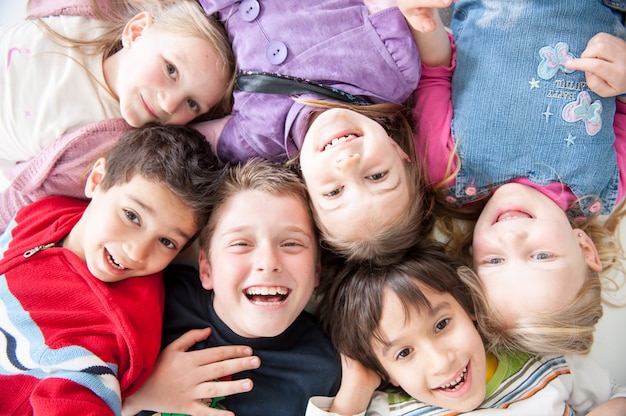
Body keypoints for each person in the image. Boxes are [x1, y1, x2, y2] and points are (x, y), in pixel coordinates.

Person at [410, 2, 626, 354]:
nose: (511, 236)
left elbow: (434, 71)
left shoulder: (447, 169)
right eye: (541, 256)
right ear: (584, 248)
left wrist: (422, 18)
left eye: (494, 261)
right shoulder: (604, 187)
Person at [0, 123, 223, 415]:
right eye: (132, 216)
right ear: (96, 180)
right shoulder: (44, 212)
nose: (137, 252)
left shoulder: (105, 330)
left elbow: (78, 399)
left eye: (166, 242)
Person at [121, 160, 342, 416]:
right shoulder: (154, 300)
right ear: (206, 269)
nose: (268, 263)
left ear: (317, 270)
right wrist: (137, 398)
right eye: (241, 244)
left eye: (291, 243)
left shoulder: (326, 371)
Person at [305, 241, 626, 415]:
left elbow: (617, 394)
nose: (441, 361)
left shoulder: (543, 365)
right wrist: (355, 394)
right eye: (403, 352)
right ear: (383, 371)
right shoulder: (389, 411)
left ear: (469, 308)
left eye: (442, 324)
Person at [0, 0, 235, 187]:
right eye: (171, 70)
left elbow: (28, 191)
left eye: (192, 104)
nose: (170, 104)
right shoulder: (88, 14)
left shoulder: (107, 149)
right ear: (136, 31)